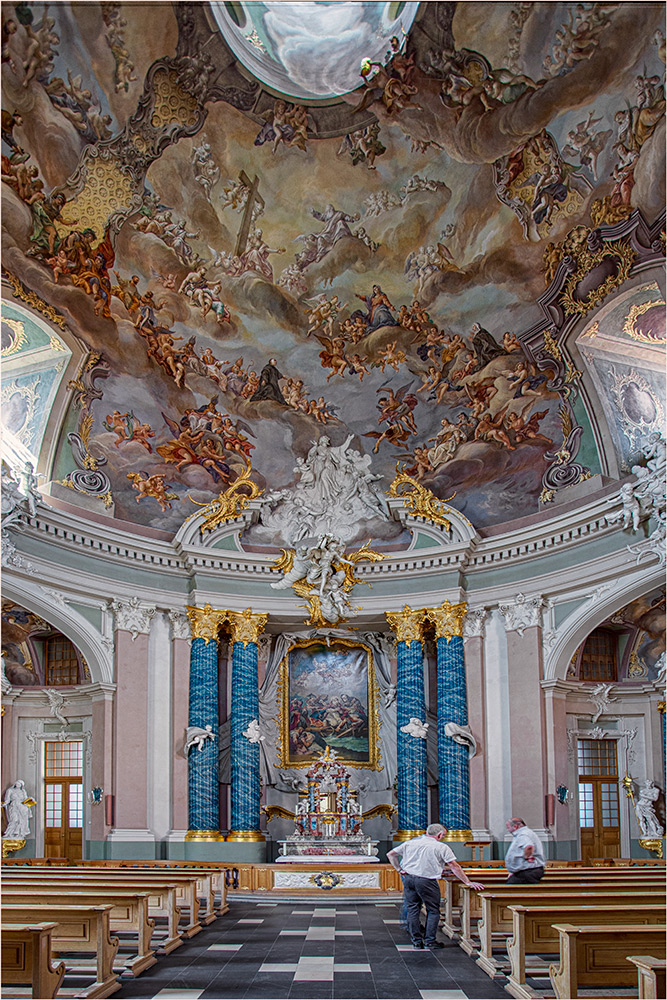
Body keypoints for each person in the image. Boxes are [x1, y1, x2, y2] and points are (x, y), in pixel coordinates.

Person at [387, 823, 484, 949]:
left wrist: (399, 869)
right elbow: (454, 866)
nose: (442, 837)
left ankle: (416, 941)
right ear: (439, 835)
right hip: (426, 881)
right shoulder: (441, 847)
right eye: (443, 835)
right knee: (433, 910)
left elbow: (390, 854)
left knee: (412, 908)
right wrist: (467, 882)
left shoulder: (411, 842)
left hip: (409, 878)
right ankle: (429, 941)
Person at [504, 817, 545, 883]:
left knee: (511, 891)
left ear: (515, 826)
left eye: (508, 827)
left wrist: (526, 857)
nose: (507, 829)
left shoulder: (523, 834)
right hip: (525, 871)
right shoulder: (525, 833)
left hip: (528, 871)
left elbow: (529, 846)